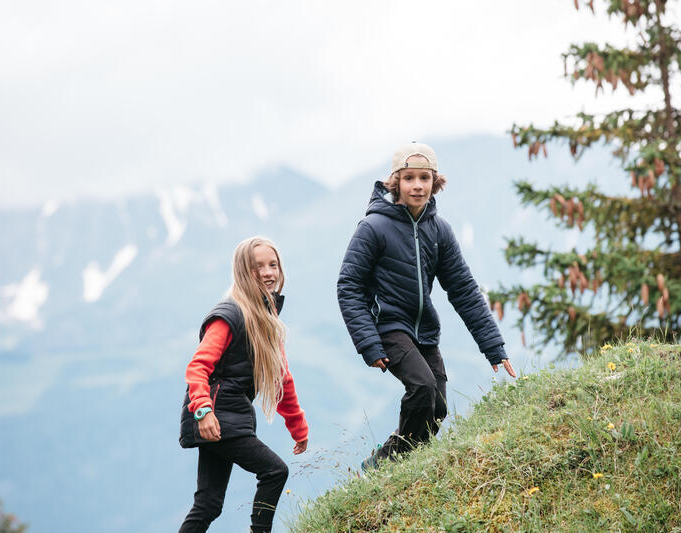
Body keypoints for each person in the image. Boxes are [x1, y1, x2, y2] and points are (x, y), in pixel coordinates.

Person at [337, 142, 516, 469]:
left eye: (424, 177)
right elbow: (348, 286)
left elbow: (463, 289)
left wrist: (493, 346)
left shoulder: (440, 231)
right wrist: (369, 344)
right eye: (408, 178)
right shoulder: (373, 228)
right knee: (421, 388)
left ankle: (393, 466)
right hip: (388, 327)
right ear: (395, 183)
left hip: (425, 331)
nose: (417, 185)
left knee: (437, 409)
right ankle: (386, 467)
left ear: (435, 182)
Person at [179, 236, 308, 533]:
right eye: (257, 267)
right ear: (241, 272)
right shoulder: (230, 315)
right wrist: (203, 411)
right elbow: (197, 367)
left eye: (272, 265)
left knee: (208, 503)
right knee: (275, 471)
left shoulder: (266, 319)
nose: (267, 273)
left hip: (226, 417)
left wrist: (298, 427)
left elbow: (282, 378)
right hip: (218, 416)